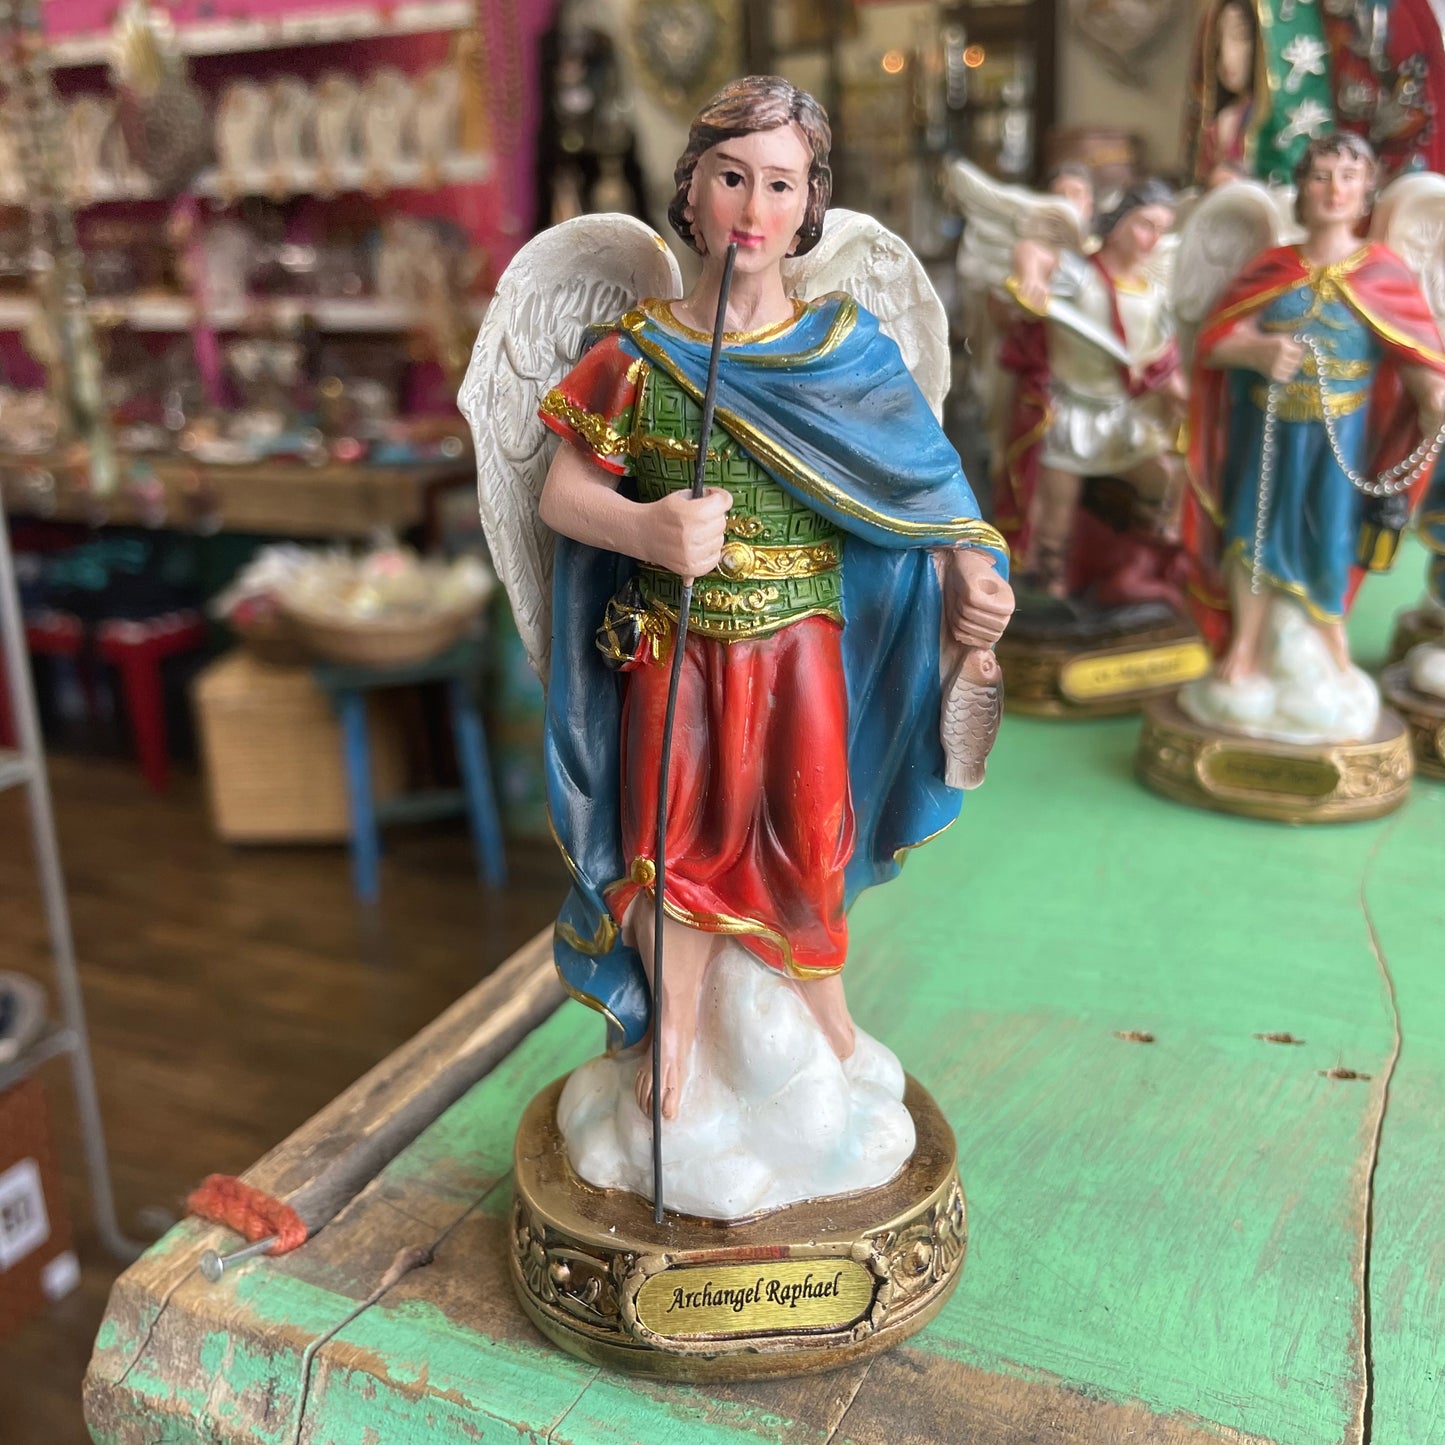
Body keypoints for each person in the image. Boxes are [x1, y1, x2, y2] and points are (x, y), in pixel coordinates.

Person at [534, 76, 1013, 1120]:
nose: (752, 207)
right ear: (690, 192)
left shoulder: (846, 351)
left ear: (809, 206)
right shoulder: (636, 353)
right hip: (676, 644)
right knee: (671, 836)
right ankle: (673, 1028)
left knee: (809, 826)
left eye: (779, 184)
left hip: (802, 643)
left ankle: (826, 1014)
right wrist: (647, 529)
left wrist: (972, 576)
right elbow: (562, 496)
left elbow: (930, 497)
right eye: (730, 177)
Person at [1184, 131, 1445, 681]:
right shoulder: (1272, 266)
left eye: (1349, 178)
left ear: (1367, 191)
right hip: (1267, 429)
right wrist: (1256, 350)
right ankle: (1245, 645)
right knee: (1251, 530)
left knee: (1332, 536)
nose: (1334, 190)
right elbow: (1214, 343)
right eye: (1321, 176)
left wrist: (1432, 396)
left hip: (1343, 438)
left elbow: (1416, 354)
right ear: (1301, 187)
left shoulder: (1384, 271)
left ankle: (1332, 644)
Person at [998, 179, 1185, 596]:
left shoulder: (1153, 295)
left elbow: (1162, 363)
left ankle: (1134, 563)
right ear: (1117, 225)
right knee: (1056, 514)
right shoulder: (1079, 276)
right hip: (1071, 415)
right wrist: (1032, 277)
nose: (1153, 240)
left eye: (1161, 230)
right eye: (1145, 225)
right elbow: (1030, 250)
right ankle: (1051, 588)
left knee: (1163, 478)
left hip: (1121, 416)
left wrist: (1185, 399)